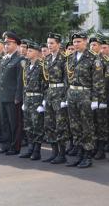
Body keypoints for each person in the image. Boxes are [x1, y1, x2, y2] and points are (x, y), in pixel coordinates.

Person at [65, 32, 105, 168]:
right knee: (75, 126)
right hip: (72, 94)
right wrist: (67, 95)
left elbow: (98, 81)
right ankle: (79, 154)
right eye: (74, 42)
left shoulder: (93, 58)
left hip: (85, 95)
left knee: (87, 126)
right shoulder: (70, 58)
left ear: (85, 42)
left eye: (79, 42)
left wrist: (95, 99)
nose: (76, 44)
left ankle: (88, 156)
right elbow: (67, 78)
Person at [0, 32, 24, 155]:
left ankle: (14, 146)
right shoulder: (4, 58)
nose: (6, 46)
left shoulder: (20, 59)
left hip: (12, 97)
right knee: (4, 122)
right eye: (5, 43)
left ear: (16, 45)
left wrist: (18, 96)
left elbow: (20, 80)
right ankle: (6, 145)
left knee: (14, 124)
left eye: (9, 43)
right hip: (3, 96)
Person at [42, 33, 69, 164]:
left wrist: (64, 98)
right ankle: (54, 151)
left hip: (59, 93)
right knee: (49, 124)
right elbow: (44, 80)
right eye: (48, 43)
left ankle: (62, 153)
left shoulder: (64, 59)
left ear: (58, 44)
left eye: (52, 43)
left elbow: (67, 80)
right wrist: (44, 96)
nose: (49, 46)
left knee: (60, 125)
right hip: (50, 93)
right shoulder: (47, 59)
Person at [19, 41, 47, 160]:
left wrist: (43, 102)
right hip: (29, 98)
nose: (27, 52)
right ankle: (30, 148)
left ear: (37, 53)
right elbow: (25, 85)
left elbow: (46, 84)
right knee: (28, 125)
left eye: (30, 51)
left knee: (37, 126)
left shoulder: (42, 66)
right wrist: (24, 101)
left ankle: (37, 150)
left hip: (37, 98)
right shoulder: (26, 66)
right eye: (27, 50)